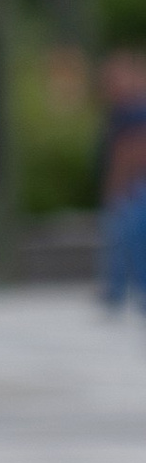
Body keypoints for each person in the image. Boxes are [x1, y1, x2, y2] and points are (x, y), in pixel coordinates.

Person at [98, 49, 146, 314]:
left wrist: (116, 186)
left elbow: (131, 151)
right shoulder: (120, 111)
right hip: (132, 188)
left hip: (135, 188)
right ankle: (118, 291)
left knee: (131, 240)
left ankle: (128, 292)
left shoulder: (133, 110)